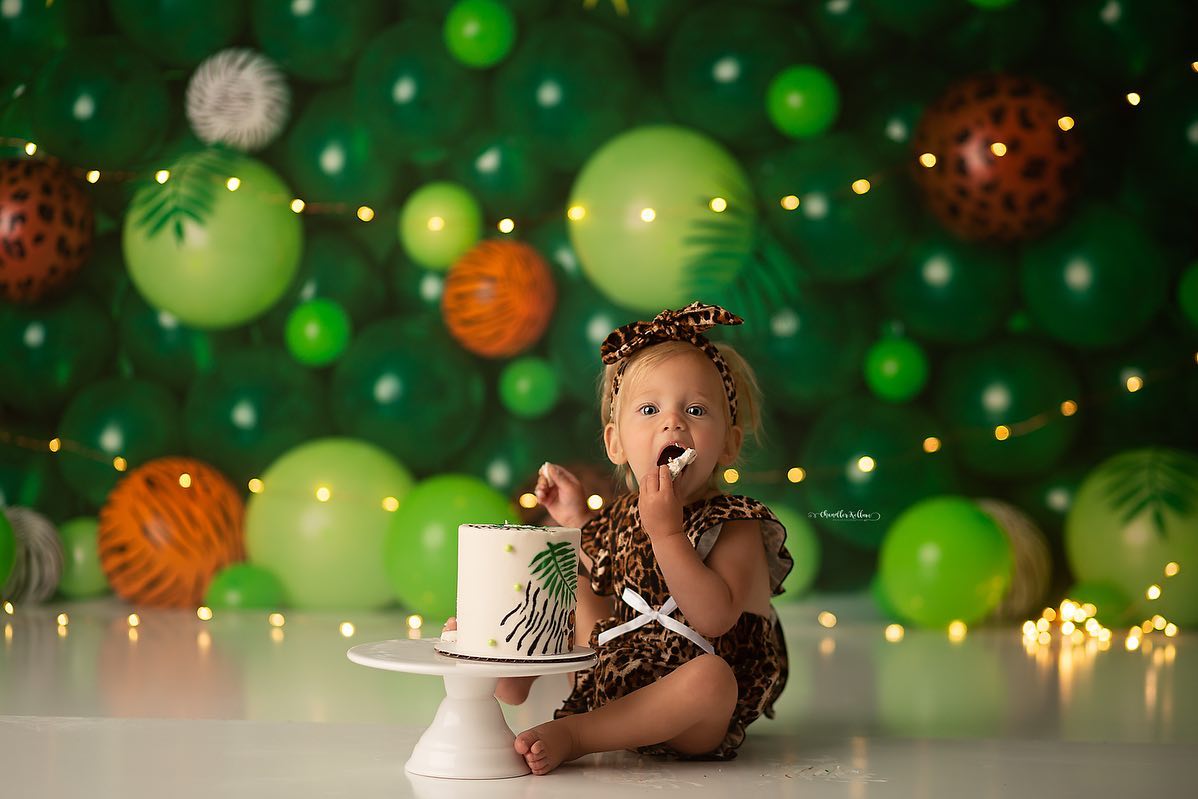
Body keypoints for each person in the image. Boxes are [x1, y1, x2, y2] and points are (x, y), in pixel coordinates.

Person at [506, 301, 793, 775]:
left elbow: (715, 619)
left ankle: (579, 733)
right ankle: (511, 670)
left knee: (711, 680)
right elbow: (603, 563)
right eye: (649, 408)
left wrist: (668, 532)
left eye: (696, 409)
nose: (673, 422)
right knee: (567, 576)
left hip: (694, 709)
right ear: (615, 443)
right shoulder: (624, 514)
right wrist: (575, 519)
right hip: (620, 673)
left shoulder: (734, 522)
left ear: (729, 444)